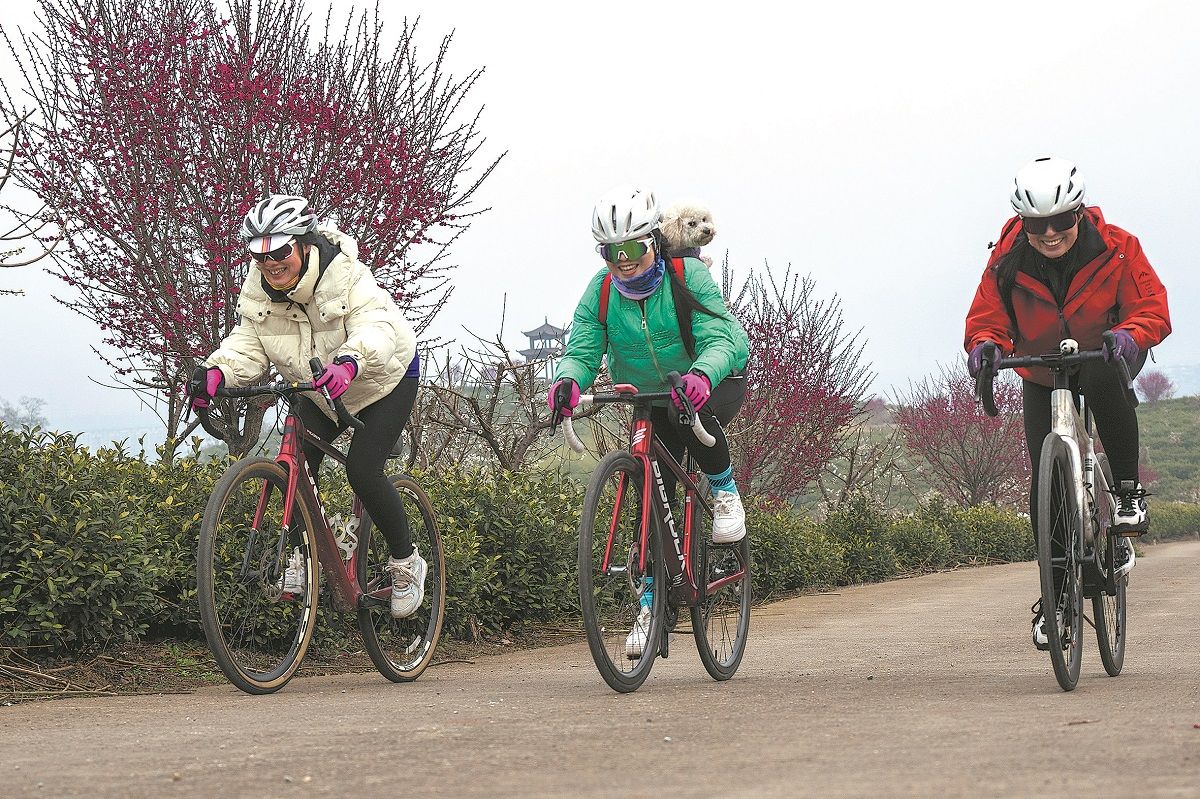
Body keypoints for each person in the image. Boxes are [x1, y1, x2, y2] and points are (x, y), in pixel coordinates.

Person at [963, 157, 1171, 649]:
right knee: (1046, 481)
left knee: (1102, 380)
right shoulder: (1005, 259)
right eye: (1037, 225)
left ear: (1078, 212)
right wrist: (986, 346)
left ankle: (1125, 494)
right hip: (1040, 365)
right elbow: (986, 318)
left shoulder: (1120, 248)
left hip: (1107, 352)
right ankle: (1055, 597)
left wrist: (1129, 335)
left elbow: (1152, 307)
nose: (1051, 233)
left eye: (1061, 220)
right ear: (1023, 223)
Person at [186, 194, 426, 618]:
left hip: (382, 379)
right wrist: (217, 371)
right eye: (260, 256)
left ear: (303, 244)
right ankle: (303, 555)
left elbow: (379, 326)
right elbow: (249, 343)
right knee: (294, 469)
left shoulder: (346, 274)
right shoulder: (258, 289)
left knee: (362, 469)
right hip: (320, 388)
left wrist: (351, 361)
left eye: (279, 252)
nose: (270, 264)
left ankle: (406, 562)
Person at [548, 185, 750, 657]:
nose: (623, 260)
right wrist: (568, 382)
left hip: (711, 379)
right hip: (646, 395)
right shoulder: (600, 292)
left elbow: (724, 336)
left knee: (693, 421)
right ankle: (651, 602)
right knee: (652, 498)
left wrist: (702, 373)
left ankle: (723, 491)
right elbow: (581, 349)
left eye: (633, 248)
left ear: (652, 242)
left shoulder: (687, 275)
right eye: (611, 252)